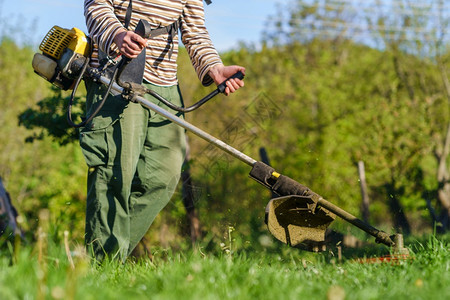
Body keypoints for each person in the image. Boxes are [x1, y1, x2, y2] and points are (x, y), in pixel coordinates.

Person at [81, 0, 245, 261]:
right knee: (115, 175)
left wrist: (214, 67)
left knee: (162, 177)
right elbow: (96, 6)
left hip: (165, 85)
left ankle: (105, 260)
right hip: (116, 75)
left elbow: (194, 30)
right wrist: (117, 34)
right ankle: (103, 265)